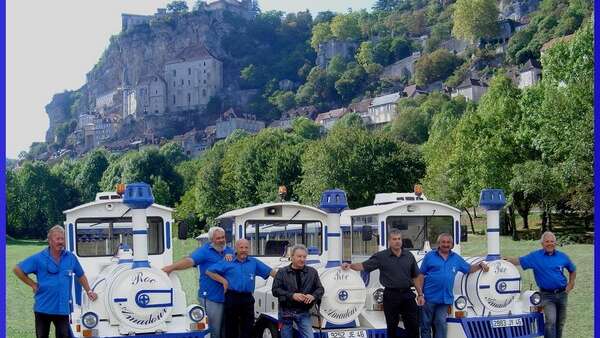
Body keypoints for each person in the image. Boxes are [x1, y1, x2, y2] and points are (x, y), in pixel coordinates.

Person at [13, 225, 98, 338]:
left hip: (62, 309)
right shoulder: (39, 258)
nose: (60, 242)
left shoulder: (70, 257)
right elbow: (17, 269)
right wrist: (32, 284)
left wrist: (89, 290)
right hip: (43, 307)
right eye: (57, 239)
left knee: (63, 336)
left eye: (62, 239)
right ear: (50, 240)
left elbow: (81, 275)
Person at [342, 229, 424, 338]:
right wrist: (349, 265)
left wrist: (420, 294)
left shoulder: (409, 256)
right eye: (394, 239)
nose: (397, 241)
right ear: (389, 241)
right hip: (391, 295)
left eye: (399, 239)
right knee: (392, 326)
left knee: (413, 325)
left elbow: (415, 277)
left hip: (407, 295)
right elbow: (363, 266)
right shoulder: (381, 256)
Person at [162, 226, 233, 338]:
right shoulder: (204, 251)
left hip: (229, 297)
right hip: (211, 297)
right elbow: (189, 261)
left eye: (223, 237)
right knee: (213, 330)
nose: (221, 240)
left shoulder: (230, 251)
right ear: (211, 240)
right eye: (218, 238)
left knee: (228, 330)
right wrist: (170, 268)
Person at [504, 231, 576, 338]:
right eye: (547, 241)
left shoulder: (562, 257)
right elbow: (519, 260)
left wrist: (571, 284)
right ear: (542, 243)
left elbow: (572, 269)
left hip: (562, 294)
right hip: (546, 295)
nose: (550, 243)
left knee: (560, 322)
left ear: (555, 243)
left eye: (552, 241)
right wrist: (504, 260)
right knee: (551, 320)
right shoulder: (535, 257)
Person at [419, 233, 489, 338]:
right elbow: (420, 274)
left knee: (441, 323)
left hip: (445, 298)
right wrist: (420, 294)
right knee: (425, 324)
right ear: (438, 243)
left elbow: (469, 269)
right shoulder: (430, 256)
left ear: (452, 245)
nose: (446, 244)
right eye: (443, 242)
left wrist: (480, 265)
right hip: (429, 297)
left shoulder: (456, 258)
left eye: (448, 242)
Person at [207, 239, 276, 338]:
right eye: (241, 247)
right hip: (232, 298)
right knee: (231, 327)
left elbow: (270, 272)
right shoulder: (228, 261)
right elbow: (209, 271)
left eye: (246, 247)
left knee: (248, 327)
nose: (244, 250)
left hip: (247, 298)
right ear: (236, 248)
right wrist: (223, 281)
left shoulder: (254, 262)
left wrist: (286, 278)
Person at [272, 244, 324, 338]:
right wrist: (292, 295)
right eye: (299, 256)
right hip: (285, 312)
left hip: (303, 311)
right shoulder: (282, 272)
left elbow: (320, 289)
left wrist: (313, 296)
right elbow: (275, 290)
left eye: (304, 257)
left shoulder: (312, 272)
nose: (302, 259)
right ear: (292, 257)